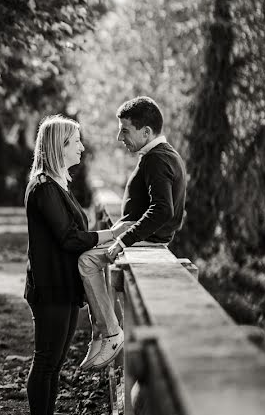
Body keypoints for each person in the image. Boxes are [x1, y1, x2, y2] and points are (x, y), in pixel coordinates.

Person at [23, 115, 126, 415]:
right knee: (46, 361)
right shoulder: (43, 188)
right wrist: (112, 234)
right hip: (50, 289)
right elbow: (68, 238)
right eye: (75, 142)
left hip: (64, 288)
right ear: (58, 146)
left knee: (54, 361)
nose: (82, 147)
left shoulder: (59, 185)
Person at [77, 96, 187, 371]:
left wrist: (124, 239)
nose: (119, 136)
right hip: (145, 238)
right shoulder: (164, 155)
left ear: (146, 132)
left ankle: (110, 333)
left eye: (125, 130)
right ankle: (102, 333)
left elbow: (163, 210)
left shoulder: (156, 160)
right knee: (90, 259)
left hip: (146, 242)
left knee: (87, 260)